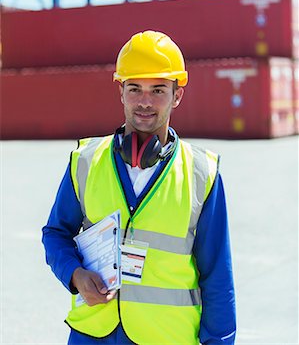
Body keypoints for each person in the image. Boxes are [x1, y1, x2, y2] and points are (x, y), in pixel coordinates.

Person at [42, 30, 236, 345]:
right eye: (135, 88)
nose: (145, 102)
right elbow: (56, 233)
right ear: (121, 92)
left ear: (178, 95)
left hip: (165, 337)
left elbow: (217, 276)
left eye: (158, 89)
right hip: (93, 335)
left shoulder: (203, 174)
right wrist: (75, 275)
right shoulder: (86, 161)